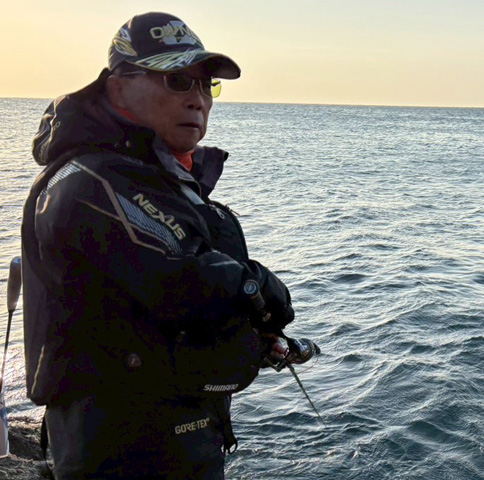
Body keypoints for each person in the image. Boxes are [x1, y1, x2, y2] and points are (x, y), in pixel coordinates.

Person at [20, 12, 295, 480]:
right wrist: (261, 290)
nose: (197, 99)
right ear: (117, 87)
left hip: (184, 438)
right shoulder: (91, 182)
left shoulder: (158, 177)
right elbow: (189, 282)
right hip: (122, 453)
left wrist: (256, 339)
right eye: (177, 80)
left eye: (206, 85)